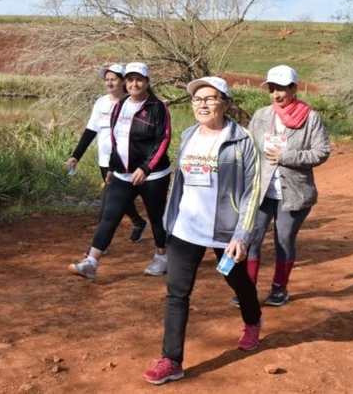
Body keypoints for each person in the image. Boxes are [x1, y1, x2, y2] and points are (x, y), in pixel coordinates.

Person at [143, 76, 262, 386]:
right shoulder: (188, 135)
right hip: (187, 227)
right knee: (177, 293)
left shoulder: (243, 141)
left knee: (237, 281)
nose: (203, 104)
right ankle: (171, 360)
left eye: (210, 98)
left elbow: (252, 191)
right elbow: (180, 183)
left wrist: (242, 234)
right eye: (197, 99)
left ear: (225, 102)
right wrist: (171, 221)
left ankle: (252, 321)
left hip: (225, 231)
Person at [68, 62, 172, 281]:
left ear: (147, 82)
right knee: (110, 214)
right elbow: (116, 140)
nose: (134, 84)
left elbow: (162, 140)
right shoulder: (120, 104)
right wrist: (113, 168)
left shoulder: (157, 107)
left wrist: (146, 168)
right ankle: (91, 262)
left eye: (139, 79)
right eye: (130, 79)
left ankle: (162, 257)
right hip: (122, 174)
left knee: (156, 217)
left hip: (153, 175)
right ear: (126, 82)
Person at [238, 65, 331, 307]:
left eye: (281, 88)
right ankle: (247, 289)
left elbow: (322, 152)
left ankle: (280, 288)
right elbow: (248, 147)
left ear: (293, 88)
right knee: (251, 239)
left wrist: (287, 156)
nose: (276, 94)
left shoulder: (311, 119)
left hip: (294, 194)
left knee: (284, 239)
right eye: (272, 89)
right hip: (261, 191)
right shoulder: (261, 115)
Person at [66, 63, 149, 244]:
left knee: (108, 204)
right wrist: (75, 156)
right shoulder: (101, 102)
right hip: (105, 162)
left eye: (114, 79)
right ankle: (138, 222)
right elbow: (90, 131)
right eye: (107, 80)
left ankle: (96, 247)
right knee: (120, 199)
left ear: (123, 81)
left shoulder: (131, 103)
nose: (110, 83)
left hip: (128, 163)